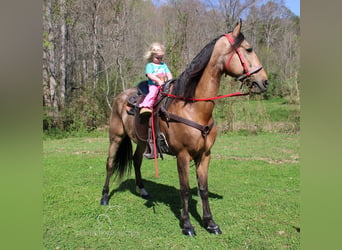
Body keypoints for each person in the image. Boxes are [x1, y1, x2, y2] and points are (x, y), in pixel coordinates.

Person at [139, 42, 172, 115]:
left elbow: (168, 73)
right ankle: (145, 106)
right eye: (157, 58)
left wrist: (170, 80)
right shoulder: (150, 65)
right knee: (153, 93)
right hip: (154, 85)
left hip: (164, 84)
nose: (159, 60)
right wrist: (158, 80)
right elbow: (150, 75)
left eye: (161, 58)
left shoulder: (163, 65)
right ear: (152, 56)